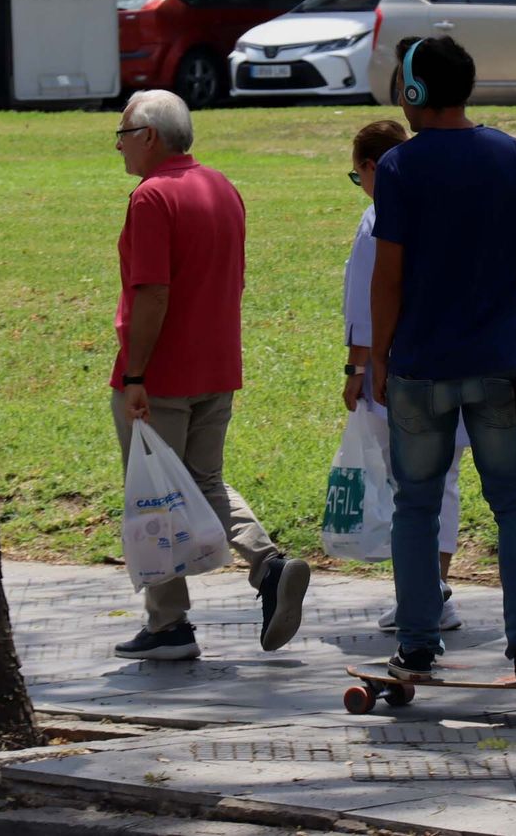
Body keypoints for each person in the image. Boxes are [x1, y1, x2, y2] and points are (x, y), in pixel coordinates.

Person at [369, 36, 516, 684]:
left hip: (421, 367)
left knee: (417, 505)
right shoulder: (515, 155)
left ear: (415, 92)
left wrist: (378, 355)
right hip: (501, 363)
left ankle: (418, 644)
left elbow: (389, 277)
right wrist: (508, 309)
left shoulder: (400, 167)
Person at [109, 89, 310, 661]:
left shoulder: (151, 197)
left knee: (152, 494)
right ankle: (268, 565)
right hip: (218, 363)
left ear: (149, 135)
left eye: (123, 135)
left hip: (163, 373)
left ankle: (168, 623)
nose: (119, 148)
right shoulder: (223, 187)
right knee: (203, 481)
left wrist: (135, 374)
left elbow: (151, 293)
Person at [342, 119, 467, 632]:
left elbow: (369, 306)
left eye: (357, 176)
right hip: (460, 359)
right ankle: (435, 589)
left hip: (396, 369)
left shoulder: (379, 219)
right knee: (446, 481)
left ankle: (420, 598)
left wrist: (356, 368)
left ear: (373, 167)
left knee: (408, 484)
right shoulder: (448, 210)